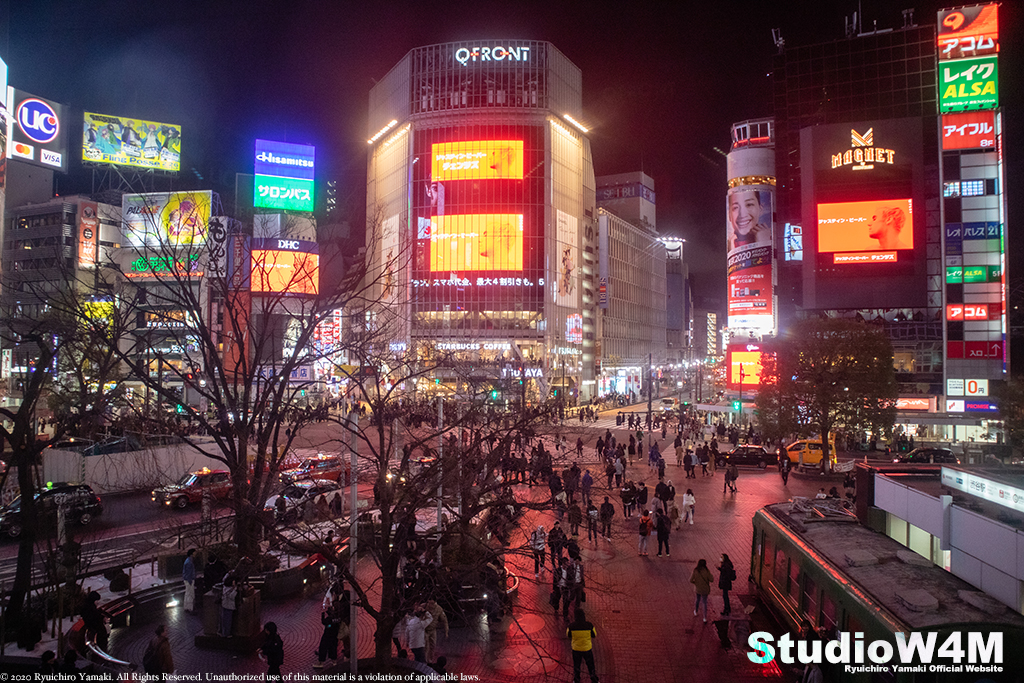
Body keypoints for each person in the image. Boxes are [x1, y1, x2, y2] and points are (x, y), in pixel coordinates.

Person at [566, 608, 600, 683]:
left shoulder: (571, 626)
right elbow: (594, 635)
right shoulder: (589, 625)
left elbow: (568, 635)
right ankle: (594, 679)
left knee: (577, 665)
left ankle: (577, 679)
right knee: (590, 665)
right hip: (587, 649)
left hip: (576, 649)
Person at [315, 601, 341, 668]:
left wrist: (323, 615)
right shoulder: (339, 616)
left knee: (323, 648)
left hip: (327, 635)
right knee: (333, 647)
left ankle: (321, 662)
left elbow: (324, 622)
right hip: (335, 635)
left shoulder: (329, 619)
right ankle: (334, 660)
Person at [424, 598, 449, 664]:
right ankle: (426, 661)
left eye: (432, 603)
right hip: (425, 630)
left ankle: (430, 660)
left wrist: (446, 631)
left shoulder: (439, 609)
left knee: (433, 645)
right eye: (429, 603)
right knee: (426, 646)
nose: (430, 605)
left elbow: (444, 620)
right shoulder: (424, 607)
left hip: (433, 630)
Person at [690, 559, 714, 623]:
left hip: (698, 588)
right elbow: (711, 579)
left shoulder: (695, 571)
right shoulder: (707, 571)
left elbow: (691, 580)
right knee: (704, 602)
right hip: (705, 589)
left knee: (697, 599)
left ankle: (696, 611)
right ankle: (704, 617)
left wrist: (696, 583)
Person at [182, 548, 197, 613]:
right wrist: (190, 581)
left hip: (187, 580)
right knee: (190, 594)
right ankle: (190, 608)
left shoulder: (188, 561)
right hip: (189, 580)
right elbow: (189, 573)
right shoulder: (189, 562)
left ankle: (187, 607)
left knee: (187, 594)